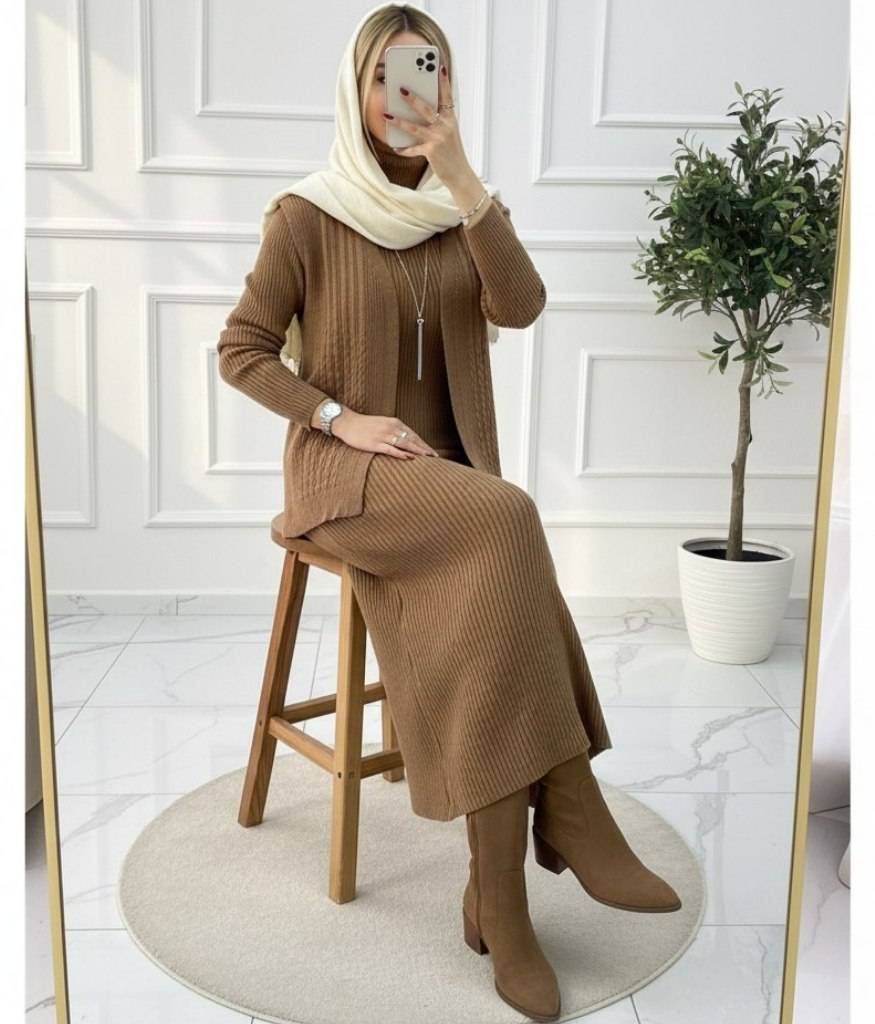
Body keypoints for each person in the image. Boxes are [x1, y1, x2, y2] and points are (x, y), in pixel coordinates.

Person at [217, 3, 680, 1018]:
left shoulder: (460, 210)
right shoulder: (305, 215)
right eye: (385, 77)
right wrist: (340, 418)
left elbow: (520, 306)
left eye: (424, 74)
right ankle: (567, 812)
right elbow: (240, 349)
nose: (404, 97)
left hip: (452, 483)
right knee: (506, 520)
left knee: (494, 569)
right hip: (346, 482)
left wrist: (465, 182)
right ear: (356, 89)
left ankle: (494, 898)